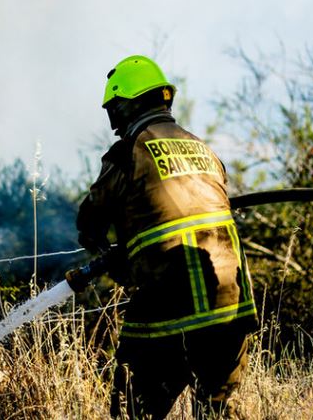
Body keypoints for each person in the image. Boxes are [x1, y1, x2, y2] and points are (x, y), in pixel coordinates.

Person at [76, 55, 257, 420]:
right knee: (217, 411)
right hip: (231, 303)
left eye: (115, 110)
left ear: (128, 105)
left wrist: (108, 253)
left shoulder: (129, 152)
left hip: (171, 303)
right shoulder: (203, 149)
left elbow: (90, 219)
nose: (114, 123)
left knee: (132, 408)